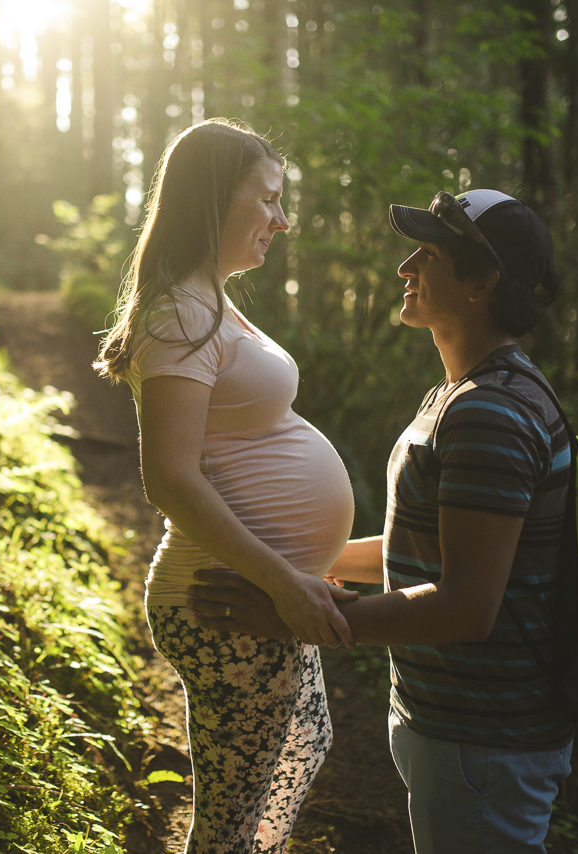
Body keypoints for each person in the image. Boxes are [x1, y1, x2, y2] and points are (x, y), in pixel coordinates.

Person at [188, 189, 573, 853]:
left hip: (483, 737)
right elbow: (420, 552)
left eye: (429, 253)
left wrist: (294, 615)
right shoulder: (463, 394)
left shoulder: (491, 411)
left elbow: (465, 607)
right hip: (457, 729)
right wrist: (296, 572)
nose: (405, 266)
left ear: (483, 282)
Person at [94, 118, 357, 853]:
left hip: (251, 593)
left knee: (267, 788)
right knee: (229, 828)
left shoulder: (209, 301)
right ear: (216, 198)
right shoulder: (180, 311)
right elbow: (170, 481)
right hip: (223, 600)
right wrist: (283, 580)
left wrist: (305, 571)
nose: (283, 219)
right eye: (268, 198)